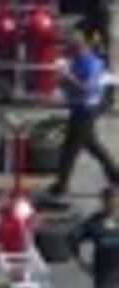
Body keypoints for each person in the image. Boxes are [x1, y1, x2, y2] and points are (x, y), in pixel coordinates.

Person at [47, 28, 119, 198]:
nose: (67, 53)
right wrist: (61, 81)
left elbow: (87, 89)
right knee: (92, 146)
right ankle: (115, 175)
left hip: (86, 110)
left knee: (70, 149)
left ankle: (61, 185)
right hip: (78, 108)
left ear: (79, 47)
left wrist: (67, 77)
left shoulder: (92, 64)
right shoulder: (75, 61)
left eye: (70, 48)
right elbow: (69, 87)